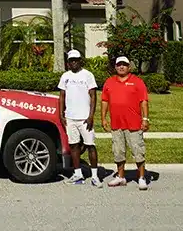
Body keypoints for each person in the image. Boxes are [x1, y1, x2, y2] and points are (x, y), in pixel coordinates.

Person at [101, 56, 150, 190]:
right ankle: (121, 177)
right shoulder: (109, 82)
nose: (121, 67)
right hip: (117, 124)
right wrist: (104, 118)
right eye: (119, 65)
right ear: (115, 67)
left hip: (134, 124)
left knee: (138, 151)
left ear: (129, 67)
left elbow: (144, 101)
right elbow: (105, 101)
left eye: (124, 65)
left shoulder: (137, 82)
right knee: (118, 151)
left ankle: (141, 177)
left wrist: (145, 119)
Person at [58, 49, 101, 187]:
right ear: (68, 62)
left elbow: (93, 96)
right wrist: (61, 113)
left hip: (84, 118)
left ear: (80, 60)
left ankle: (95, 176)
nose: (74, 62)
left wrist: (91, 116)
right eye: (71, 60)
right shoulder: (65, 76)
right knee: (74, 145)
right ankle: (78, 174)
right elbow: (62, 96)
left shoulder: (88, 75)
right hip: (70, 117)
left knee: (90, 146)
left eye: (76, 59)